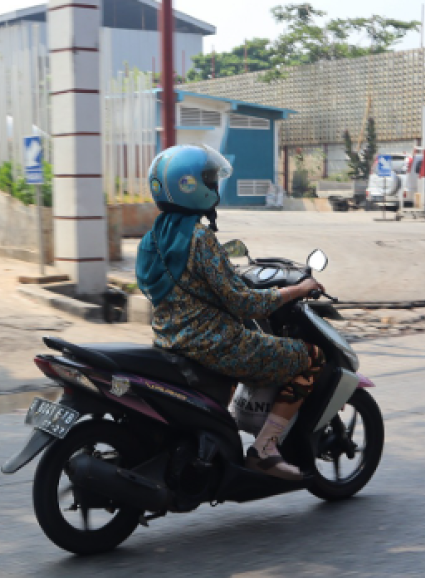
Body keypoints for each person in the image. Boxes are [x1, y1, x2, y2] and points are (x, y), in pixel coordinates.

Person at [135, 144, 325, 481]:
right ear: (189, 186)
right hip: (216, 345)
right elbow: (245, 304)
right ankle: (264, 450)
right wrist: (298, 289)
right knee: (311, 356)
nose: (215, 185)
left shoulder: (152, 239)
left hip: (169, 342)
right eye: (209, 178)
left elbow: (174, 287)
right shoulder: (199, 238)